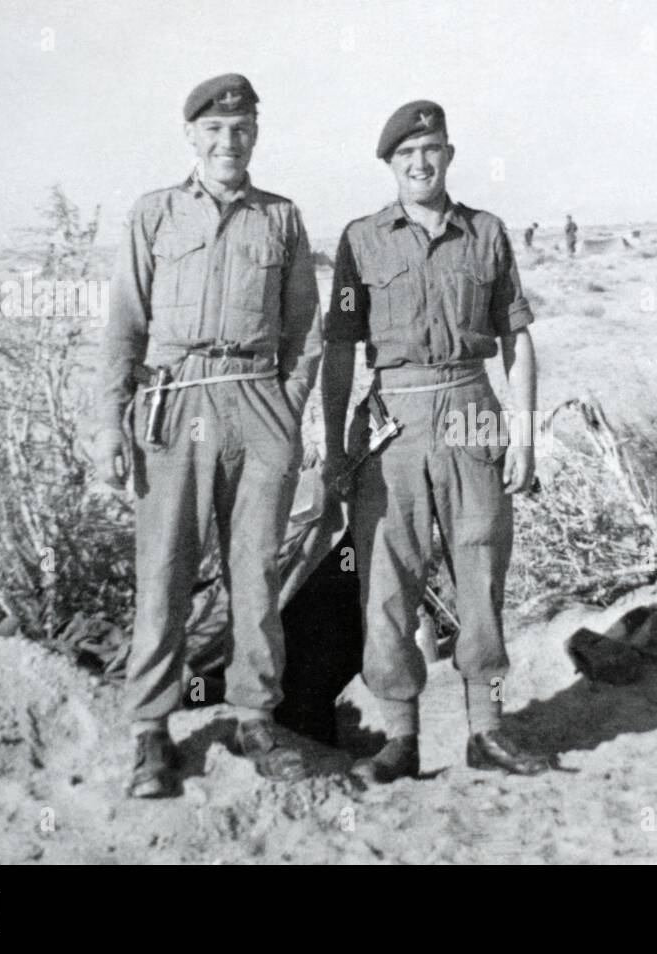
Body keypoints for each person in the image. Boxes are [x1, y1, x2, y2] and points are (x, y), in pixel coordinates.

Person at [96, 73, 323, 797]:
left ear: (256, 132)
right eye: (216, 130)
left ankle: (256, 717)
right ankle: (151, 734)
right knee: (162, 571)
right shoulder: (154, 214)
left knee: (255, 572)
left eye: (243, 128)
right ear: (192, 135)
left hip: (257, 402)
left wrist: (284, 414)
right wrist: (111, 422)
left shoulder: (281, 219)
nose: (230, 141)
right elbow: (124, 326)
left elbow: (305, 332)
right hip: (175, 403)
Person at [322, 100, 547, 783]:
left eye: (432, 150)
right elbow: (338, 350)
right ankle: (400, 738)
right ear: (389, 164)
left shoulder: (486, 233)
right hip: (394, 417)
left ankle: (487, 730)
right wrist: (333, 444)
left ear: (449, 155)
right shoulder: (361, 240)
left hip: (472, 407)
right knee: (388, 579)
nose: (420, 164)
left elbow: (518, 339)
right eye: (405, 155)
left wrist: (526, 436)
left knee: (481, 567)